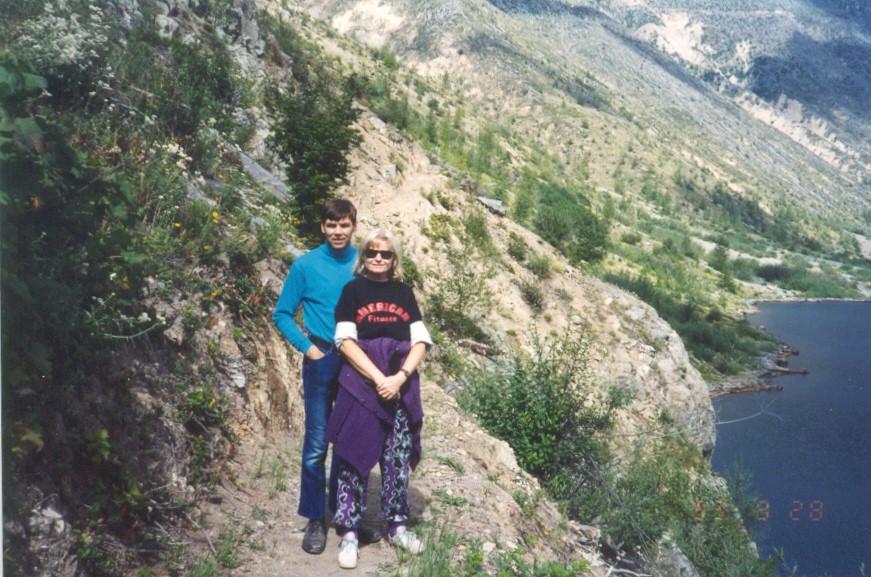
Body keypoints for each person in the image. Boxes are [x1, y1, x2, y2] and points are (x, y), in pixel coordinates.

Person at [272, 199, 381, 554]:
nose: (337, 231)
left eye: (344, 224)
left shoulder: (363, 264)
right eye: (331, 225)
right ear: (322, 227)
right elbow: (282, 314)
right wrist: (308, 349)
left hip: (356, 361)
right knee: (318, 443)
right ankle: (316, 518)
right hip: (321, 359)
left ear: (354, 226)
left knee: (349, 440)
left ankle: (346, 514)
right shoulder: (305, 265)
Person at [327, 229, 432, 569]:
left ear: (394, 259)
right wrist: (379, 378)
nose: (378, 257)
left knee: (397, 456)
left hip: (399, 387)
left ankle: (398, 526)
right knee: (353, 454)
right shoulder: (353, 291)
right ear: (363, 256)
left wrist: (399, 377)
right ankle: (349, 533)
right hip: (361, 385)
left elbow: (420, 341)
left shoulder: (404, 293)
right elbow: (345, 341)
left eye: (385, 253)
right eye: (372, 251)